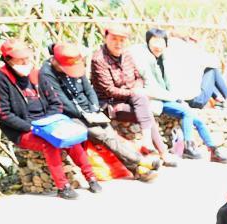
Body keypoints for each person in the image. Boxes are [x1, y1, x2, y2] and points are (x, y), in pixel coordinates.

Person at [0, 39, 101, 200]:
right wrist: (31, 127)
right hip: (23, 130)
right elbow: (4, 114)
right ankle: (63, 186)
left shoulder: (36, 74)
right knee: (49, 142)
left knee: (71, 138)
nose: (25, 62)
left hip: (49, 123)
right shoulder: (0, 79)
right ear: (8, 60)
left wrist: (51, 122)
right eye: (20, 60)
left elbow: (55, 102)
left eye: (27, 58)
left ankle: (91, 177)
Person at [40, 43, 159, 182]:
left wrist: (94, 108)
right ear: (56, 61)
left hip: (89, 111)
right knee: (102, 135)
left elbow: (89, 90)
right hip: (68, 115)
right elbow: (61, 101)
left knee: (109, 133)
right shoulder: (46, 73)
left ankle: (137, 169)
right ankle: (140, 161)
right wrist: (84, 115)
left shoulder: (75, 65)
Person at [132, 29, 227, 163]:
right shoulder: (144, 61)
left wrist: (178, 98)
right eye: (154, 42)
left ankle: (213, 150)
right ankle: (189, 147)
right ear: (148, 42)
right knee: (187, 112)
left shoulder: (165, 60)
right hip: (155, 100)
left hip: (168, 98)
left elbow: (172, 85)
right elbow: (150, 88)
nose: (158, 46)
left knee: (197, 120)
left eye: (161, 42)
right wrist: (173, 98)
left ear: (166, 44)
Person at [89, 23, 176, 167]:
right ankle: (160, 152)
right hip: (111, 103)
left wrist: (137, 89)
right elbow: (109, 90)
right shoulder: (99, 59)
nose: (118, 43)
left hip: (133, 99)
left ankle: (151, 147)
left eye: (122, 40)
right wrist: (134, 93)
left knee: (142, 103)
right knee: (145, 109)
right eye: (114, 39)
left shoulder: (127, 54)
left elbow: (138, 77)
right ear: (106, 38)